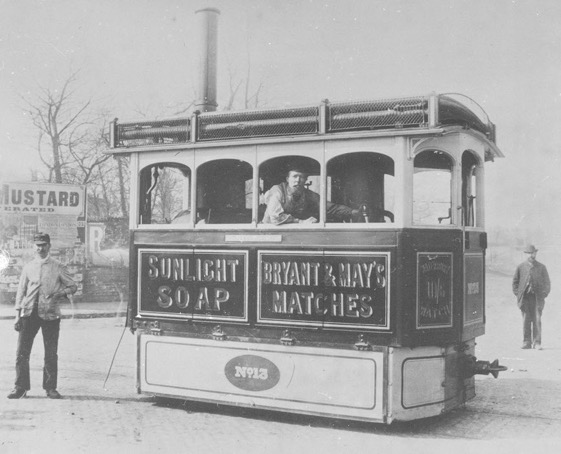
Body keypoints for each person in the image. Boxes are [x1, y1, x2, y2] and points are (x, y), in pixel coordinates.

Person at [7, 233, 77, 399]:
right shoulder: (28, 266)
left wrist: (61, 293)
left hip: (51, 314)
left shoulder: (58, 266)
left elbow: (73, 286)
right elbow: (20, 292)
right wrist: (17, 315)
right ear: (33, 247)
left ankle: (50, 388)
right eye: (37, 245)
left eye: (43, 245)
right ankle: (20, 387)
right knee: (21, 353)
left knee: (51, 353)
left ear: (49, 246)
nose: (40, 248)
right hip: (29, 313)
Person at [262, 166, 361, 225]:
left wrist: (351, 211)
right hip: (269, 232)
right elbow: (276, 217)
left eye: (302, 177)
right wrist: (301, 222)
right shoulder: (277, 190)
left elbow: (330, 208)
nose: (298, 180)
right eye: (295, 176)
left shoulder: (308, 194)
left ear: (305, 180)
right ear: (287, 179)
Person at [512, 244, 551, 350]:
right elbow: (515, 283)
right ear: (525, 254)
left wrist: (544, 294)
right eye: (528, 253)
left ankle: (537, 342)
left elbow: (547, 283)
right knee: (526, 320)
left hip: (537, 298)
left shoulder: (541, 267)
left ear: (535, 253)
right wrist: (518, 294)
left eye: (532, 253)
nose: (531, 255)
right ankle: (526, 342)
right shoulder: (520, 267)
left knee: (537, 320)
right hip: (525, 299)